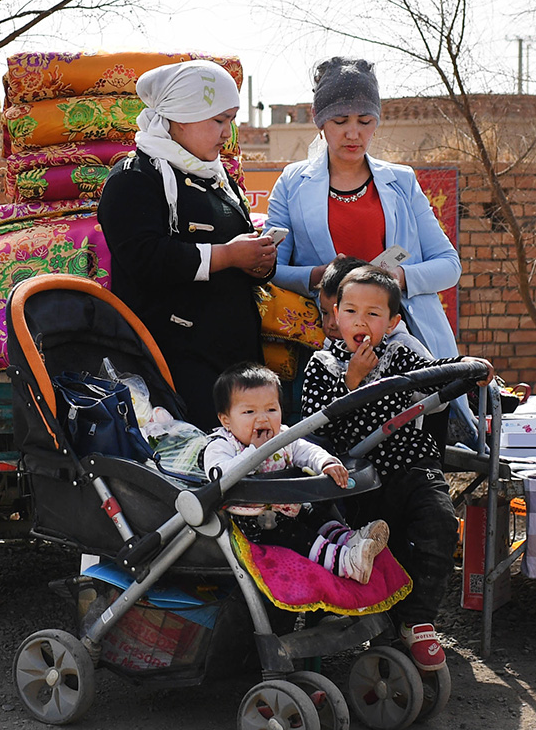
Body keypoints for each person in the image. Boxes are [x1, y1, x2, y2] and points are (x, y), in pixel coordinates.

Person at [299, 266, 492, 671]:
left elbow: (438, 370)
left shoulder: (401, 352)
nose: (360, 322)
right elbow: (312, 427)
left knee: (438, 522)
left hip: (411, 462)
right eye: (350, 311)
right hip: (353, 479)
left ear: (392, 322)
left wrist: (472, 367)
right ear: (335, 316)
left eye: (373, 314)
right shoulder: (322, 364)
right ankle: (331, 624)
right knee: (356, 546)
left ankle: (417, 620)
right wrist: (351, 383)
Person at [99, 60, 273, 423]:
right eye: (218, 120)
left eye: (230, 120)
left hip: (234, 362)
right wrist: (226, 256)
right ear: (180, 116)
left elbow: (234, 250)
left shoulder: (217, 178)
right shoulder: (135, 179)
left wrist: (259, 262)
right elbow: (144, 258)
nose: (227, 134)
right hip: (176, 365)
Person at [267, 57, 462, 361]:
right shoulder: (292, 183)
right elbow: (271, 268)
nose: (353, 133)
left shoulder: (402, 182)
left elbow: (449, 265)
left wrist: (395, 277)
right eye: (340, 121)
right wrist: (318, 276)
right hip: (326, 348)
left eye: (365, 121)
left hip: (405, 344)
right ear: (318, 119)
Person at [203, 363, 389, 583]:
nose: (262, 418)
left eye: (271, 410)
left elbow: (305, 449)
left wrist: (326, 462)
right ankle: (347, 563)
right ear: (226, 420)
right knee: (299, 537)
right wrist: (256, 452)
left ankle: (349, 540)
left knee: (317, 515)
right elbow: (220, 476)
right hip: (253, 524)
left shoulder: (282, 435)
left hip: (289, 508)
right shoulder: (222, 444)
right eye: (249, 412)